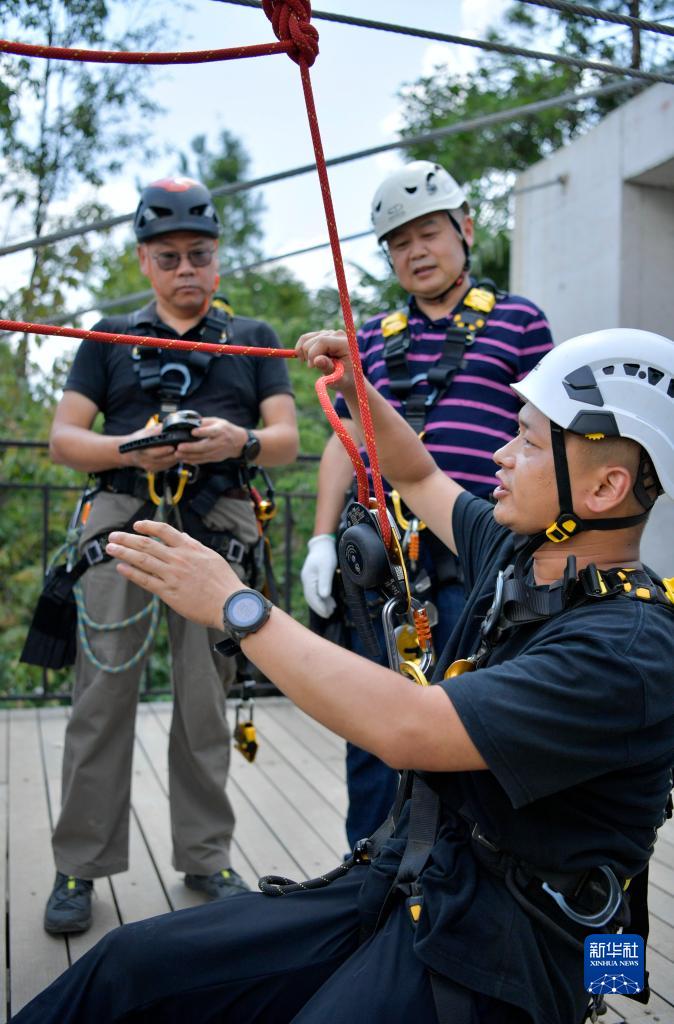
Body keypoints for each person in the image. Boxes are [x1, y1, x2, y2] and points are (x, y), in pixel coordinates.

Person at [15, 326, 674, 1024]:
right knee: (131, 967)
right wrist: (360, 389)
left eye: (529, 443)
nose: (500, 454)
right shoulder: (525, 558)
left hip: (509, 943)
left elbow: (409, 728)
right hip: (421, 878)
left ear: (605, 487)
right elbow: (418, 475)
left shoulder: (623, 648)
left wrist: (238, 608)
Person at [42, 176, 299, 935]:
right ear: (144, 262)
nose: (185, 270)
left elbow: (284, 438)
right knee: (101, 697)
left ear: (218, 260)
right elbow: (65, 440)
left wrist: (238, 439)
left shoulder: (252, 339)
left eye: (199, 255)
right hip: (123, 517)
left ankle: (205, 853)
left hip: (217, 524)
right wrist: (132, 448)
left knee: (202, 697)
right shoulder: (108, 336)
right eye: (169, 258)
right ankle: (79, 864)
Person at [301, 160, 554, 847]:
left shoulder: (518, 322)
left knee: (473, 716)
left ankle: (463, 872)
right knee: (372, 719)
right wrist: (321, 540)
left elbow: (547, 433)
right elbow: (344, 439)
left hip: (475, 546)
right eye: (398, 241)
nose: (415, 251)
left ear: (466, 230)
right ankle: (370, 872)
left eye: (429, 233)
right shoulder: (374, 340)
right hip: (384, 556)